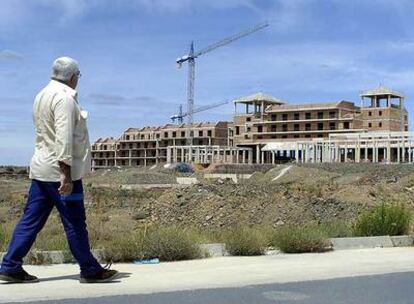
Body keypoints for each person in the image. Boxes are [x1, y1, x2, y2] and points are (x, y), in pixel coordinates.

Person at [0, 57, 118, 283]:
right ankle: (90, 270)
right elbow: (63, 138)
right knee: (74, 222)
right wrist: (65, 174)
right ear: (73, 76)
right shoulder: (64, 99)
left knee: (30, 220)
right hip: (60, 173)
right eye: (78, 76)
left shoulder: (41, 95)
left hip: (41, 170)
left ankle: (10, 266)